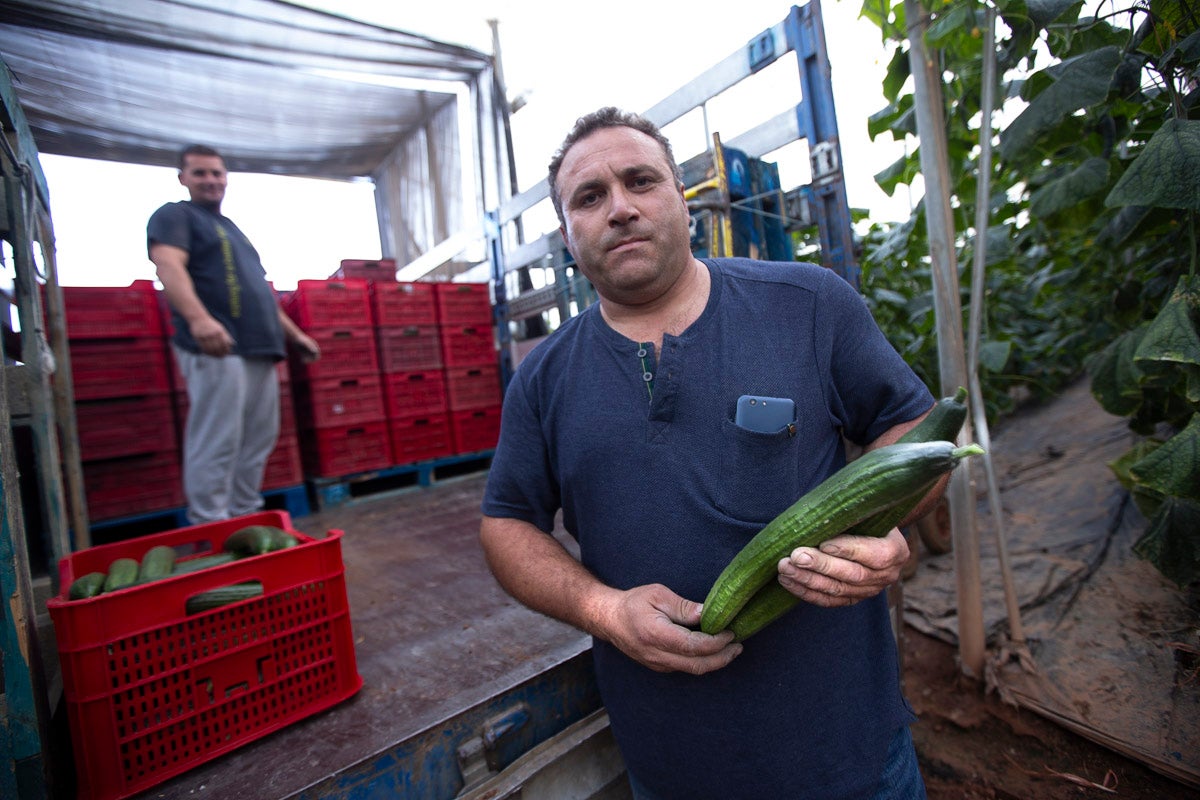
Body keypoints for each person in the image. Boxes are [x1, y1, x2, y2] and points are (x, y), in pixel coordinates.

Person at [479, 108, 945, 799]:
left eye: (642, 181)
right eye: (590, 196)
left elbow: (916, 427)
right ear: (567, 233)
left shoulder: (809, 305)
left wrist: (887, 527)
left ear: (682, 200)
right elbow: (506, 521)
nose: (621, 208)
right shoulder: (544, 378)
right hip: (672, 765)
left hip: (846, 751)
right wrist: (603, 610)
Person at [148, 144, 319, 524]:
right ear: (183, 178)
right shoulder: (174, 215)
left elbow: (262, 292)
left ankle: (244, 516)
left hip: (260, 347)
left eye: (216, 173)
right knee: (217, 438)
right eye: (200, 173)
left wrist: (295, 336)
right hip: (216, 346)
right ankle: (211, 522)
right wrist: (199, 319)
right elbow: (168, 265)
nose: (210, 180)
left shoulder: (233, 230)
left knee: (258, 439)